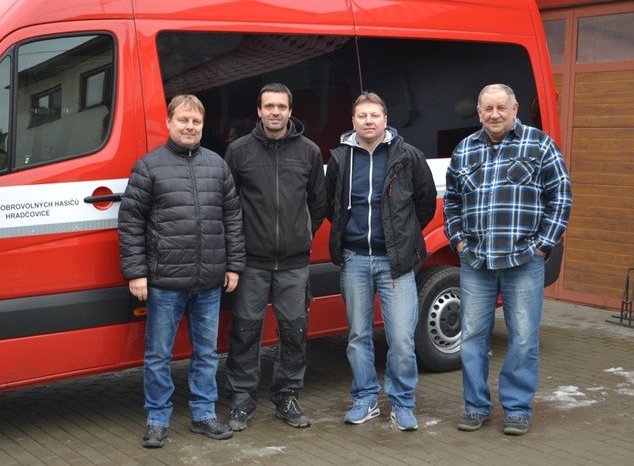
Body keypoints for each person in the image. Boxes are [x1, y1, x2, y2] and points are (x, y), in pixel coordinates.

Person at [118, 94, 246, 448]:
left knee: (206, 354)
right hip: (164, 282)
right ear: (169, 123)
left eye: (196, 122)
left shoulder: (217, 165)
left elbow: (232, 218)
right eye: (183, 120)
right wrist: (136, 273)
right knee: (158, 356)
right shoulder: (148, 166)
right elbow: (130, 222)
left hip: (209, 281)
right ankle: (157, 419)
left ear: (203, 126)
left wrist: (234, 265)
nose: (190, 127)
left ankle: (204, 414)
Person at [444, 83, 572, 436]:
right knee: (472, 338)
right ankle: (475, 406)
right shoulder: (465, 149)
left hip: (523, 261)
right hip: (476, 261)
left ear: (514, 109)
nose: (495, 114)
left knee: (524, 338)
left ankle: (516, 408)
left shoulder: (539, 144)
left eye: (501, 107)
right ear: (479, 112)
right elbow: (452, 201)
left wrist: (542, 246)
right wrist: (459, 242)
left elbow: (561, 198)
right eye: (488, 108)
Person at [326, 92, 437, 431]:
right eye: (362, 116)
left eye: (374, 115)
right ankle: (365, 399)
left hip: (395, 262)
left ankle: (402, 403)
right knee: (358, 336)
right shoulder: (340, 158)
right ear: (353, 121)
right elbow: (332, 204)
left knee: (401, 338)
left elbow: (426, 202)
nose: (368, 121)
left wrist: (403, 238)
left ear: (386, 120)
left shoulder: (408, 156)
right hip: (354, 260)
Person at [223, 83, 327, 431]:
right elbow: (229, 205)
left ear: (290, 110)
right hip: (252, 262)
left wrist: (302, 235)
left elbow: (318, 202)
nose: (275, 112)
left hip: (294, 264)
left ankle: (287, 397)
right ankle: (242, 400)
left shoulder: (309, 152)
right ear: (259, 110)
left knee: (294, 332)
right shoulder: (239, 151)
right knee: (245, 332)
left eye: (281, 106)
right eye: (269, 106)